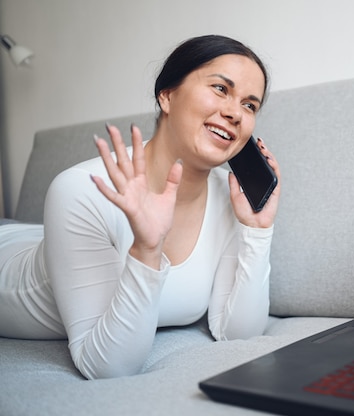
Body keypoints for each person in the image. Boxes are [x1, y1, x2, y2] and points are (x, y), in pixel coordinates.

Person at [0, 35, 281, 380]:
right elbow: (106, 367)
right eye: (221, 89)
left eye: (250, 105)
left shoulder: (231, 196)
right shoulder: (81, 189)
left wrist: (257, 231)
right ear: (167, 95)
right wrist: (147, 249)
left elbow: (239, 335)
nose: (235, 113)